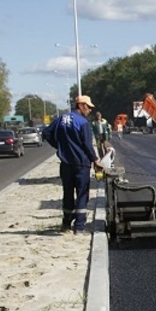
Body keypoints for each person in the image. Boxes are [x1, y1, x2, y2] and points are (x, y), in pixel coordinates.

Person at [42, 95, 102, 234]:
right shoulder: (83, 122)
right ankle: (79, 226)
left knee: (67, 193)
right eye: (88, 107)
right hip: (81, 164)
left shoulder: (61, 119)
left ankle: (66, 224)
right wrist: (95, 160)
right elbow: (87, 144)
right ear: (81, 106)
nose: (90, 110)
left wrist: (59, 146)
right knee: (82, 194)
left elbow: (46, 133)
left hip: (65, 164)